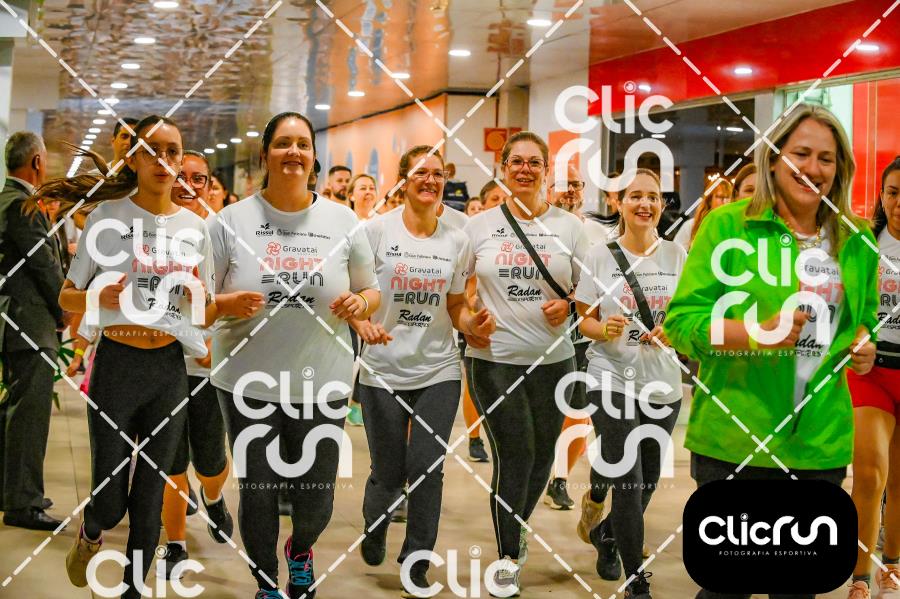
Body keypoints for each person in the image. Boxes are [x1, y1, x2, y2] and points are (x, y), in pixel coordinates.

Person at [664, 103, 878, 599]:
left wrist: (862, 344)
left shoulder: (857, 238)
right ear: (775, 158)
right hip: (734, 439)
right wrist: (754, 332)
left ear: (840, 168)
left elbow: (860, 318)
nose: (813, 168)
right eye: (801, 153)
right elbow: (681, 325)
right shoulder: (728, 227)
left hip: (819, 442)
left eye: (826, 158)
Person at [52, 115, 226, 597]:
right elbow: (66, 295)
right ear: (132, 158)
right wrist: (96, 296)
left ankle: (134, 588)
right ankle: (92, 529)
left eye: (172, 152)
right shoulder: (107, 219)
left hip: (168, 371)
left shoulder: (196, 228)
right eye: (151, 150)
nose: (163, 161)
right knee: (110, 502)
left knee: (151, 497)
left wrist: (200, 301)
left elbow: (207, 310)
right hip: (116, 368)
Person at [209, 111, 380, 599]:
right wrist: (224, 304)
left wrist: (360, 303)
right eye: (283, 143)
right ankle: (266, 581)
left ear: (313, 157)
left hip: (322, 381)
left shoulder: (343, 221)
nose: (294, 152)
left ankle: (300, 549)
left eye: (303, 144)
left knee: (317, 498)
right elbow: (201, 302)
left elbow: (371, 291)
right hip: (247, 381)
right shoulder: (229, 222)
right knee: (259, 491)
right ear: (265, 155)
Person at [354, 145, 491, 597]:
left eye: (437, 173)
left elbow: (455, 306)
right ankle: (375, 526)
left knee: (427, 468)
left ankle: (416, 561)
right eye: (420, 173)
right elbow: (356, 294)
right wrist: (362, 323)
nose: (430, 180)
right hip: (382, 369)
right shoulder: (376, 232)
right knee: (389, 472)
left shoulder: (457, 238)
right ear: (402, 180)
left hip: (439, 369)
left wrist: (472, 324)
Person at [463, 131, 588, 595]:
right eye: (516, 161)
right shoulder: (478, 227)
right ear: (502, 167)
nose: (525, 170)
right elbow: (457, 293)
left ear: (546, 170)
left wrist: (570, 306)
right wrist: (469, 319)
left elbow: (591, 294)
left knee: (541, 459)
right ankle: (508, 559)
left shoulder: (570, 228)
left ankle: (515, 528)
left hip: (554, 361)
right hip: (494, 359)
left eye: (534, 162)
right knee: (516, 455)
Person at [574, 168, 686, 599]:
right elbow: (584, 319)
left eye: (653, 197)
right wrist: (603, 329)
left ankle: (607, 535)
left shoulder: (676, 255)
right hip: (610, 377)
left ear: (662, 205)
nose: (645, 204)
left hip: (663, 382)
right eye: (636, 196)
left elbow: (687, 315)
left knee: (649, 479)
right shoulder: (600, 256)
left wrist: (674, 330)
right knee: (629, 478)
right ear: (618, 203)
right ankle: (635, 580)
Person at [159, 150, 240, 577]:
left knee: (210, 460)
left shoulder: (224, 233)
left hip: (210, 365)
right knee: (169, 460)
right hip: (163, 363)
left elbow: (234, 297)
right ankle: (174, 544)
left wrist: (212, 341)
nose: (187, 185)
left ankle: (212, 496)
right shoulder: (154, 228)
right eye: (180, 176)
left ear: (209, 186)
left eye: (198, 178)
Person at [0, 131, 65, 531]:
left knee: (15, 412)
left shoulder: (6, 199)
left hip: (16, 321)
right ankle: (24, 503)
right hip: (30, 323)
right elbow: (43, 264)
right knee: (28, 416)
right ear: (37, 162)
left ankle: (13, 491)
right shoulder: (21, 204)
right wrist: (66, 308)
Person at [847, 156, 900, 599]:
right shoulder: (864, 241)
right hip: (872, 372)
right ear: (882, 196)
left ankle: (893, 565)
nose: (899, 203)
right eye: (893, 193)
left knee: (899, 480)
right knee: (868, 474)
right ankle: (861, 576)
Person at [672, 177, 732, 251]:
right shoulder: (691, 225)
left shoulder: (735, 226)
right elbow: (674, 253)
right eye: (720, 197)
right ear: (709, 200)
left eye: (728, 197)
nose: (725, 202)